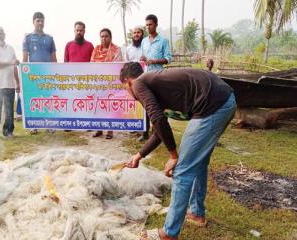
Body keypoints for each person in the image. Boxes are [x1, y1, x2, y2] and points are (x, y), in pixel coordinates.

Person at [120, 62, 236, 240]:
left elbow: (159, 119)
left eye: (125, 90)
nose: (130, 95)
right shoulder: (153, 83)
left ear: (128, 82)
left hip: (212, 105)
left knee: (182, 170)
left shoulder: (138, 84)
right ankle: (197, 213)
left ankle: (169, 233)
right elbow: (159, 130)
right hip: (223, 100)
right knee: (198, 162)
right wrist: (139, 155)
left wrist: (173, 155)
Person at [138, 14, 172, 142]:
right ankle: (145, 132)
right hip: (146, 77)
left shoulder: (163, 41)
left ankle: (157, 133)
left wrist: (155, 61)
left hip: (159, 77)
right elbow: (143, 57)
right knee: (146, 104)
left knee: (159, 106)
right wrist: (143, 59)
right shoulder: (144, 41)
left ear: (156, 25)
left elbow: (168, 58)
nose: (148, 27)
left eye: (150, 24)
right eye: (146, 25)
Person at [21, 11, 57, 134]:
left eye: (42, 20)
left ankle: (49, 124)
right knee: (34, 99)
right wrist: (24, 76)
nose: (40, 23)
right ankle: (33, 125)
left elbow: (54, 58)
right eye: (38, 21)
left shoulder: (50, 38)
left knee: (48, 99)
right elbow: (25, 58)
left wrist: (56, 74)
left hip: (47, 74)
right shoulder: (28, 38)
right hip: (33, 75)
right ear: (33, 22)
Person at [90, 28, 122, 139]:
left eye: (106, 36)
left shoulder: (116, 50)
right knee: (98, 105)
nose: (104, 38)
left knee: (110, 106)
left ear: (110, 37)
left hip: (111, 83)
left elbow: (117, 66)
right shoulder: (96, 49)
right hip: (98, 83)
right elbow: (92, 64)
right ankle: (99, 129)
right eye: (102, 36)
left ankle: (110, 130)